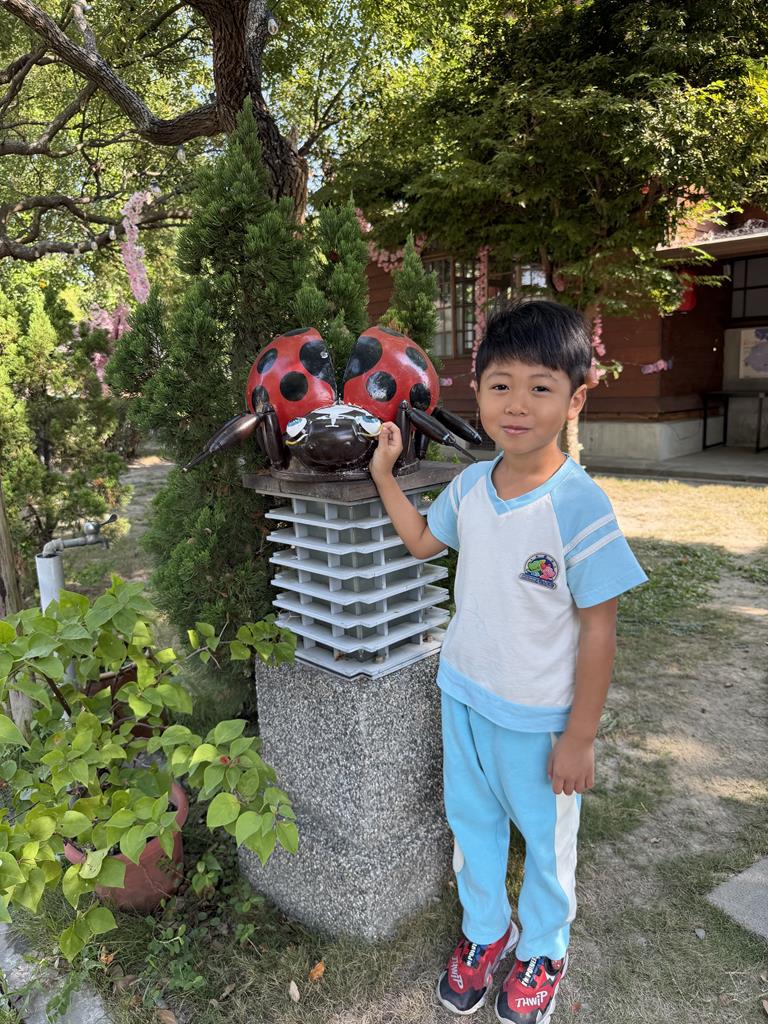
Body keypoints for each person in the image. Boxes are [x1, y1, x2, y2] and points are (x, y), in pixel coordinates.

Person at [369, 300, 647, 1023]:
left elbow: (599, 630)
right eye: (501, 385)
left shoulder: (580, 507)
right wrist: (384, 475)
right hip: (463, 696)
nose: (516, 404)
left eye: (540, 387)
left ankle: (545, 948)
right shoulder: (469, 487)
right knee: (474, 828)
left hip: (540, 721)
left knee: (548, 847)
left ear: (575, 399)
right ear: (479, 391)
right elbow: (424, 544)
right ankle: (487, 932)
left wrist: (580, 736)